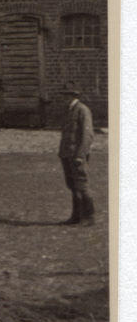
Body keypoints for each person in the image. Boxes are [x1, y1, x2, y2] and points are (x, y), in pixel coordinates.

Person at [57, 81, 96, 226]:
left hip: (76, 155)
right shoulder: (68, 110)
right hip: (66, 154)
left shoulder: (82, 110)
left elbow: (88, 135)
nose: (65, 98)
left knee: (82, 185)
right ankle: (76, 216)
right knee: (72, 185)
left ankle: (89, 217)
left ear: (75, 95)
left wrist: (81, 155)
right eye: (64, 95)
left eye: (68, 95)